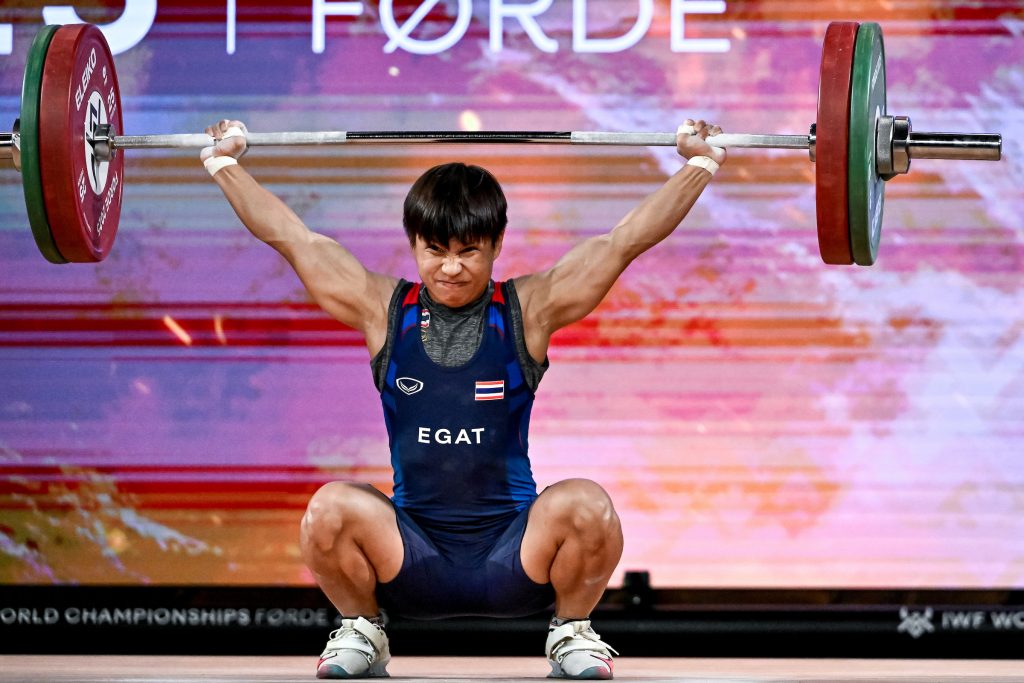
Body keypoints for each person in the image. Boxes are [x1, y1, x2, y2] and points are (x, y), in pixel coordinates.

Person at [200, 118, 726, 680]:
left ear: (497, 244)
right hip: (410, 561)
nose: (451, 268)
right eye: (435, 251)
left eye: (469, 251)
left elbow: (624, 243)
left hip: (516, 560)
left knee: (587, 504)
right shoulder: (381, 309)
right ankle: (364, 629)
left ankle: (571, 632)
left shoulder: (530, 309)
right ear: (414, 244)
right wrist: (223, 163)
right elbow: (291, 238)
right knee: (330, 507)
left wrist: (700, 164)